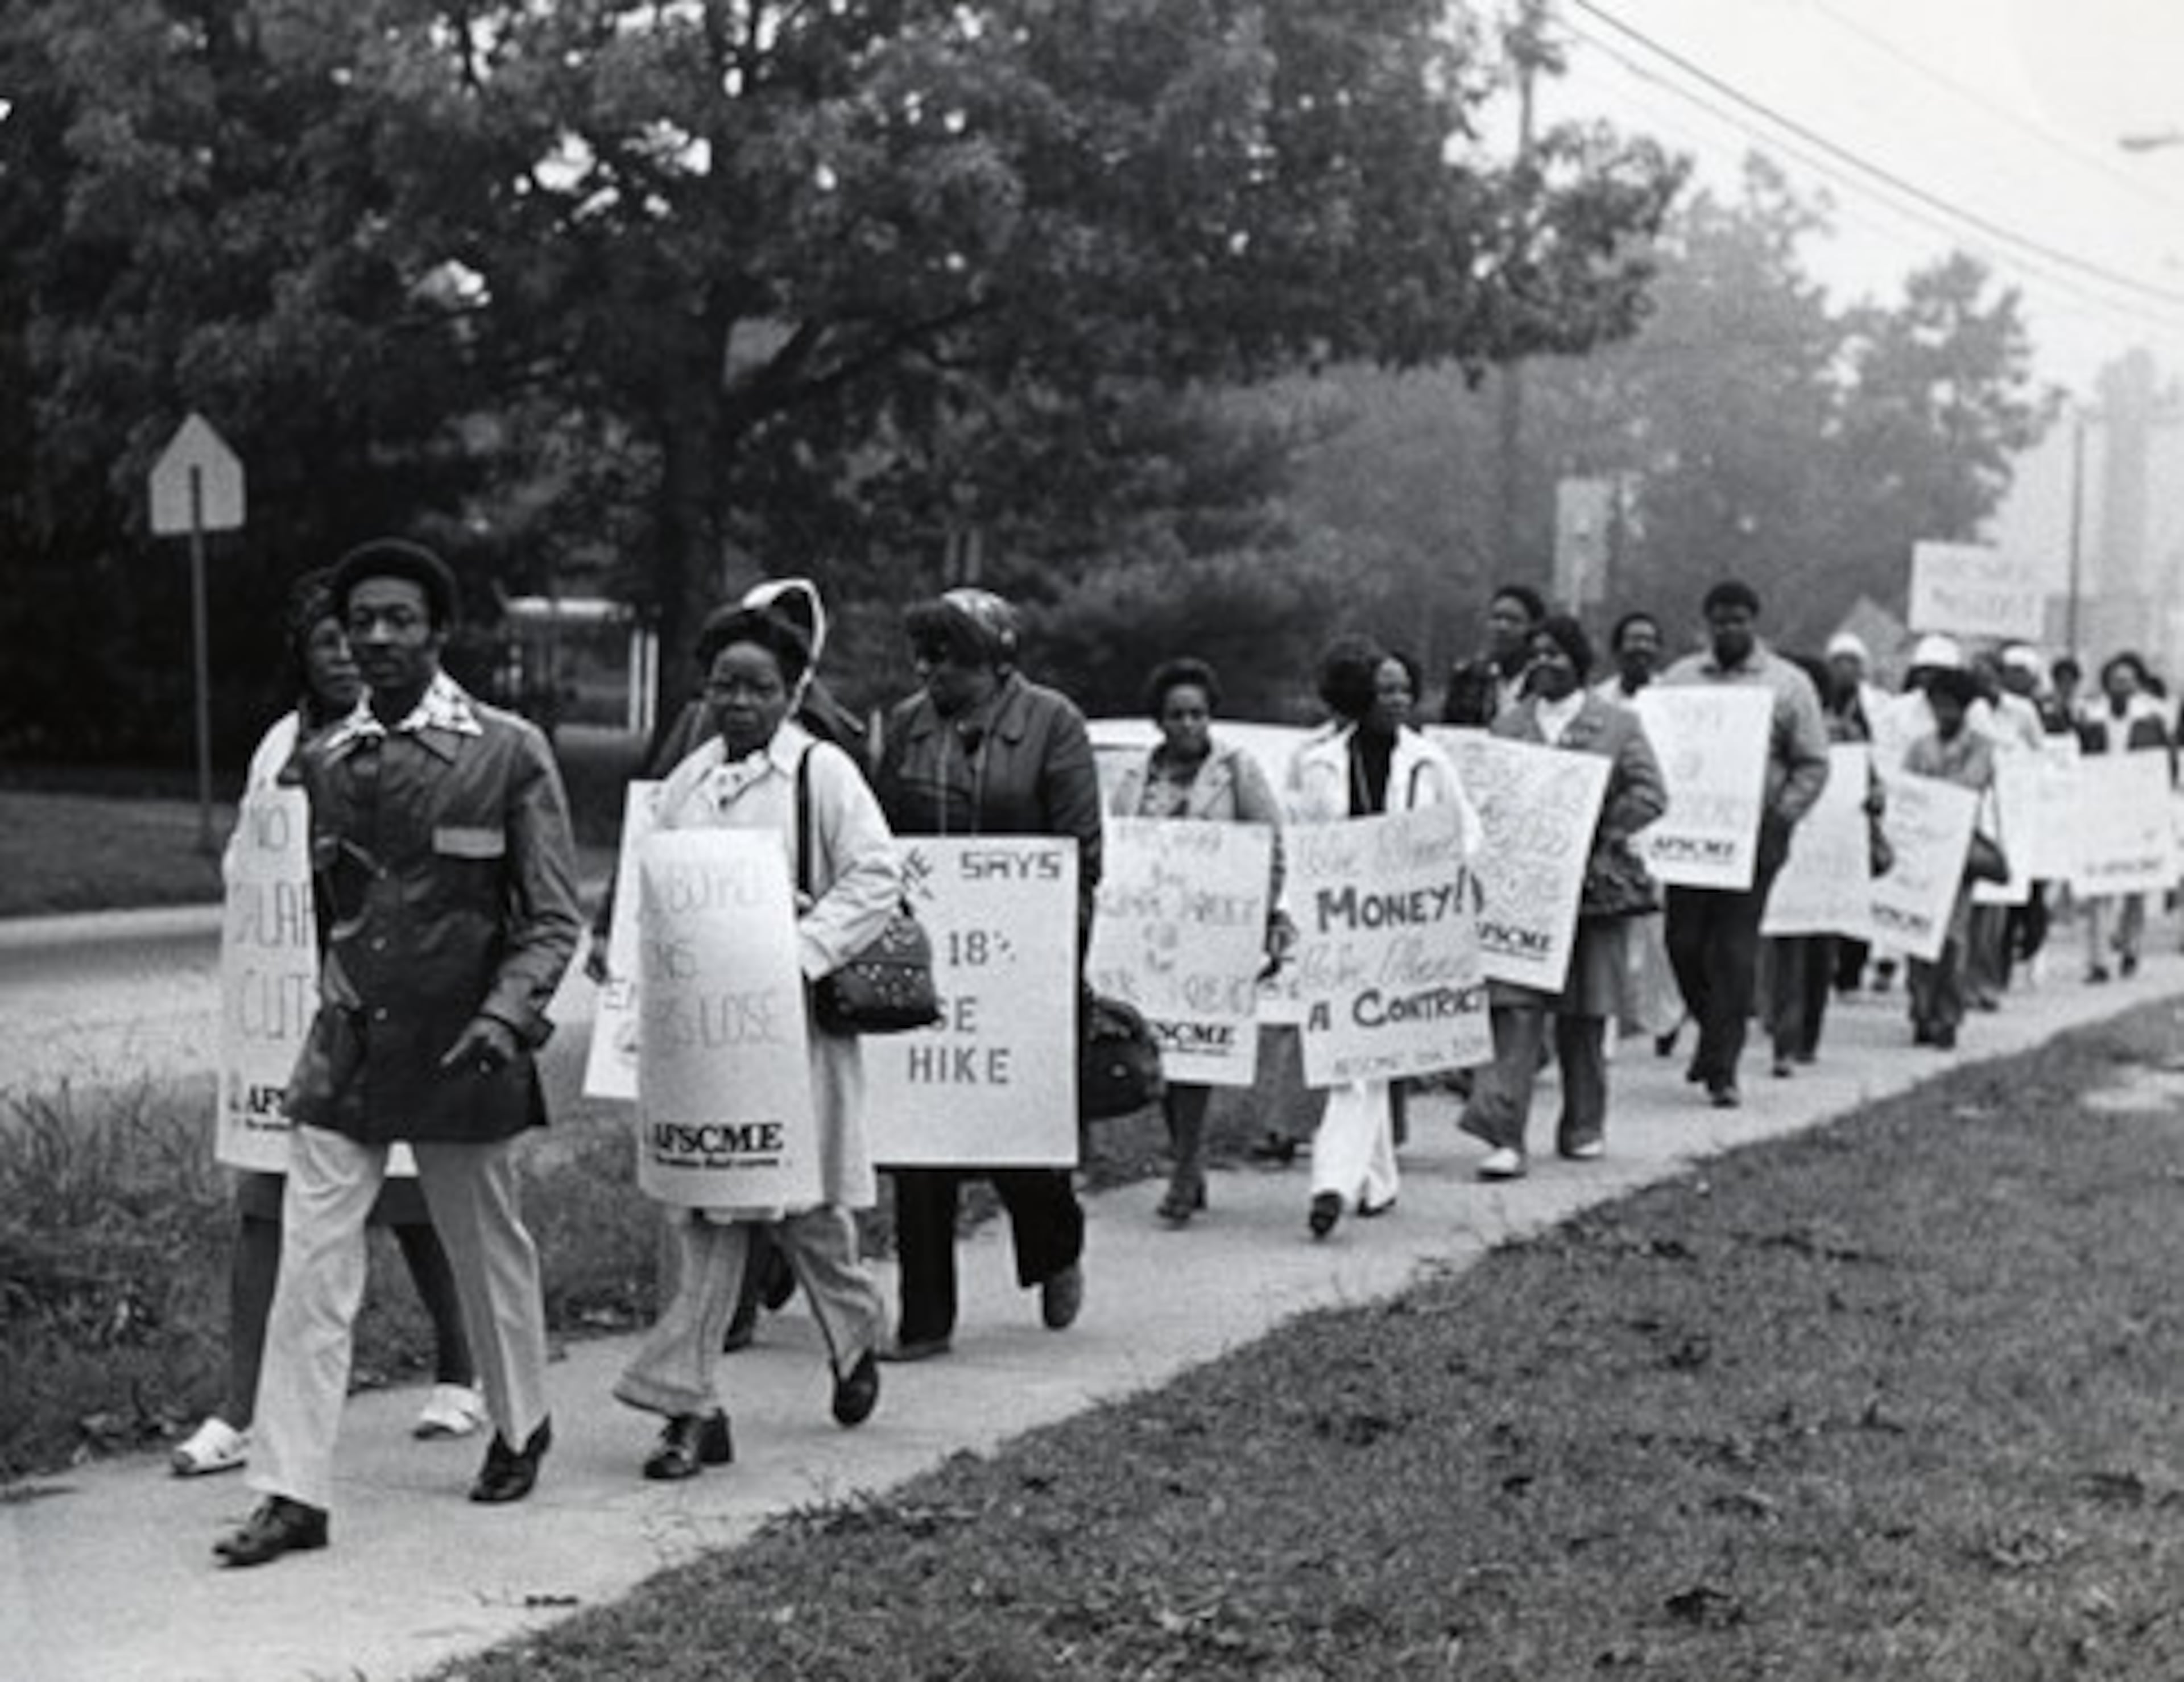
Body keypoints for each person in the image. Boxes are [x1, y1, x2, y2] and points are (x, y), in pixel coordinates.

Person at [214, 539, 582, 1568]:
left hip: (468, 1051)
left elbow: (553, 917)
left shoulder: (508, 751)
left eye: (399, 620)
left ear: (438, 631)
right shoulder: (325, 762)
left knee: (486, 1246)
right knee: (312, 1266)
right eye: (360, 621)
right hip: (348, 1057)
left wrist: (507, 1016)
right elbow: (340, 913)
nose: (376, 638)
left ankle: (520, 1423)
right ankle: (291, 1492)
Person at [176, 575, 484, 1480]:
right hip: (291, 1016)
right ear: (305, 657)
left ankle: (461, 1370)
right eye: (331, 643)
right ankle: (241, 1407)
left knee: (414, 1202)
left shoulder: (426, 739)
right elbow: (249, 857)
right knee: (263, 1204)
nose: (351, 655)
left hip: (388, 1003)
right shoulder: (282, 742)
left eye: (365, 637)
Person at [610, 598, 897, 1477]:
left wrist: (798, 954)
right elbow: (654, 892)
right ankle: (691, 1406)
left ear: (790, 692)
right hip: (706, 1041)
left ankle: (852, 1332)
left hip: (792, 1030)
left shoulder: (822, 774)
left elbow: (878, 874)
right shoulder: (688, 782)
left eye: (759, 687)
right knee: (711, 1205)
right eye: (724, 686)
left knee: (801, 1209)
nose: (739, 703)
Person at [873, 588, 1102, 1361]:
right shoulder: (906, 723)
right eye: (925, 656)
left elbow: (1081, 851)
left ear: (997, 663)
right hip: (929, 953)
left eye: (950, 659)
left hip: (1019, 966)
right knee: (919, 1135)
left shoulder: (1053, 722)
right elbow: (881, 835)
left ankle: (1055, 1243)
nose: (930, 671)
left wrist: (1054, 949)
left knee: (1012, 1134)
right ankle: (925, 1320)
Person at [1288, 635, 1481, 1236]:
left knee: (1365, 1058)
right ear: (1356, 694)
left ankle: (1332, 1182)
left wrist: (1442, 874)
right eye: (1385, 688)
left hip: (1404, 924)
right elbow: (1297, 838)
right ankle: (1377, 1179)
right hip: (1338, 924)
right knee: (1358, 1055)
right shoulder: (1314, 760)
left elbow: (1466, 830)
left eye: (1405, 688)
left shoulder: (1428, 760)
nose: (1398, 699)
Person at [1458, 616, 1665, 1178]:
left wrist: (1601, 824)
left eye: (1557, 653)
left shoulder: (1618, 724)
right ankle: (1505, 1134)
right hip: (1525, 889)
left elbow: (1652, 793)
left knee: (1585, 1011)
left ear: (1580, 660)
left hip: (1591, 891)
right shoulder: (1508, 726)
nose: (1546, 662)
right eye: (1538, 653)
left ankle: (1583, 1124)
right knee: (1516, 1009)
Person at [1108, 657, 1288, 1224]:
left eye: (1199, 714)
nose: (1190, 725)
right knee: (1158, 1049)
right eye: (1177, 715)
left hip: (1214, 929)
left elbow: (1270, 841)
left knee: (1200, 1051)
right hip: (1152, 932)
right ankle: (1189, 1159)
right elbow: (1119, 843)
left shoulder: (1236, 769)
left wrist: (1259, 911)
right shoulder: (1137, 776)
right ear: (1159, 721)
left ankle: (1185, 1167)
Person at [1657, 580, 1830, 1109]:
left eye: (1739, 620)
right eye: (1720, 620)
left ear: (1756, 623)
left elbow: (1814, 762)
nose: (1730, 629)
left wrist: (1784, 815)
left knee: (1734, 949)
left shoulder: (1789, 684)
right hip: (1690, 837)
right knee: (1682, 942)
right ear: (1706, 624)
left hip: (1757, 837)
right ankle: (1715, 1033)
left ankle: (1723, 1067)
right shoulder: (1679, 679)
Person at [1763, 652, 1871, 1076]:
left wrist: (1871, 796)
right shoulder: (1773, 728)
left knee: (1814, 948)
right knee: (1790, 944)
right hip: (1790, 845)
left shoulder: (1846, 733)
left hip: (1827, 852)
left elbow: (1868, 781)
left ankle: (1801, 1034)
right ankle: (1788, 1038)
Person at [1902, 666, 1996, 1049]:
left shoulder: (1981, 746)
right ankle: (1920, 1010)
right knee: (1917, 934)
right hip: (1922, 849)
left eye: (1950, 705)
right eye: (1937, 705)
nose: (1943, 712)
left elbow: (1971, 783)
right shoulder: (1919, 746)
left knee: (1953, 939)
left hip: (1958, 853)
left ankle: (1948, 1015)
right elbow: (1906, 788)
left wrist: (1932, 791)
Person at [2075, 650, 2171, 981]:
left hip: (2137, 812)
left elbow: (2164, 767)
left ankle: (2131, 946)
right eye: (2116, 682)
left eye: (2128, 682)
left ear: (2137, 686)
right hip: (2101, 810)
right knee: (2099, 887)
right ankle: (2098, 960)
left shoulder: (2152, 719)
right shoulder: (2091, 718)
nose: (2121, 688)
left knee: (2136, 886)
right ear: (2107, 684)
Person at [1443, 584, 1545, 728]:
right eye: (1496, 618)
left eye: (1513, 620)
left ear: (1533, 627)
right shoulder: (1468, 678)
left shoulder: (1545, 679)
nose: (1502, 627)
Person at [1592, 610, 1663, 706]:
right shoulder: (1600, 700)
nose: (1642, 646)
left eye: (1649, 640)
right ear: (1618, 647)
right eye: (1635, 639)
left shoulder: (1669, 694)